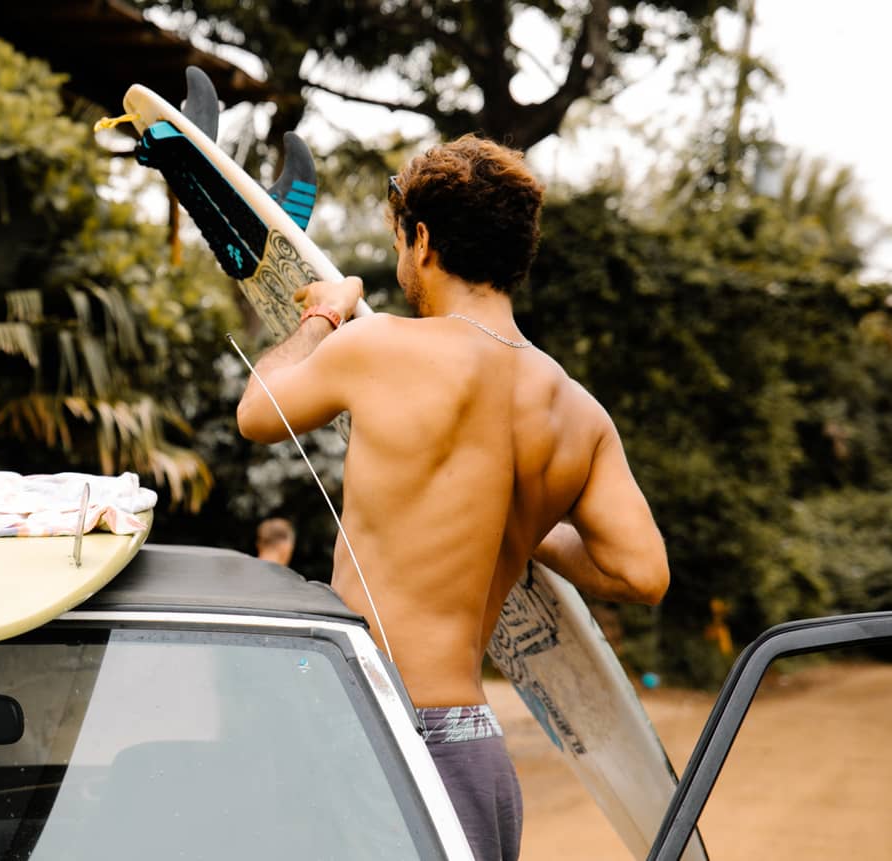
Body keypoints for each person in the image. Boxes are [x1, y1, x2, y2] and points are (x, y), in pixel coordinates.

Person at [234, 135, 669, 861]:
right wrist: (520, 526)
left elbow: (258, 411)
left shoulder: (382, 348)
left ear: (423, 239)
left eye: (400, 239)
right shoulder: (579, 413)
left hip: (376, 739)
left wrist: (328, 314)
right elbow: (641, 573)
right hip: (474, 752)